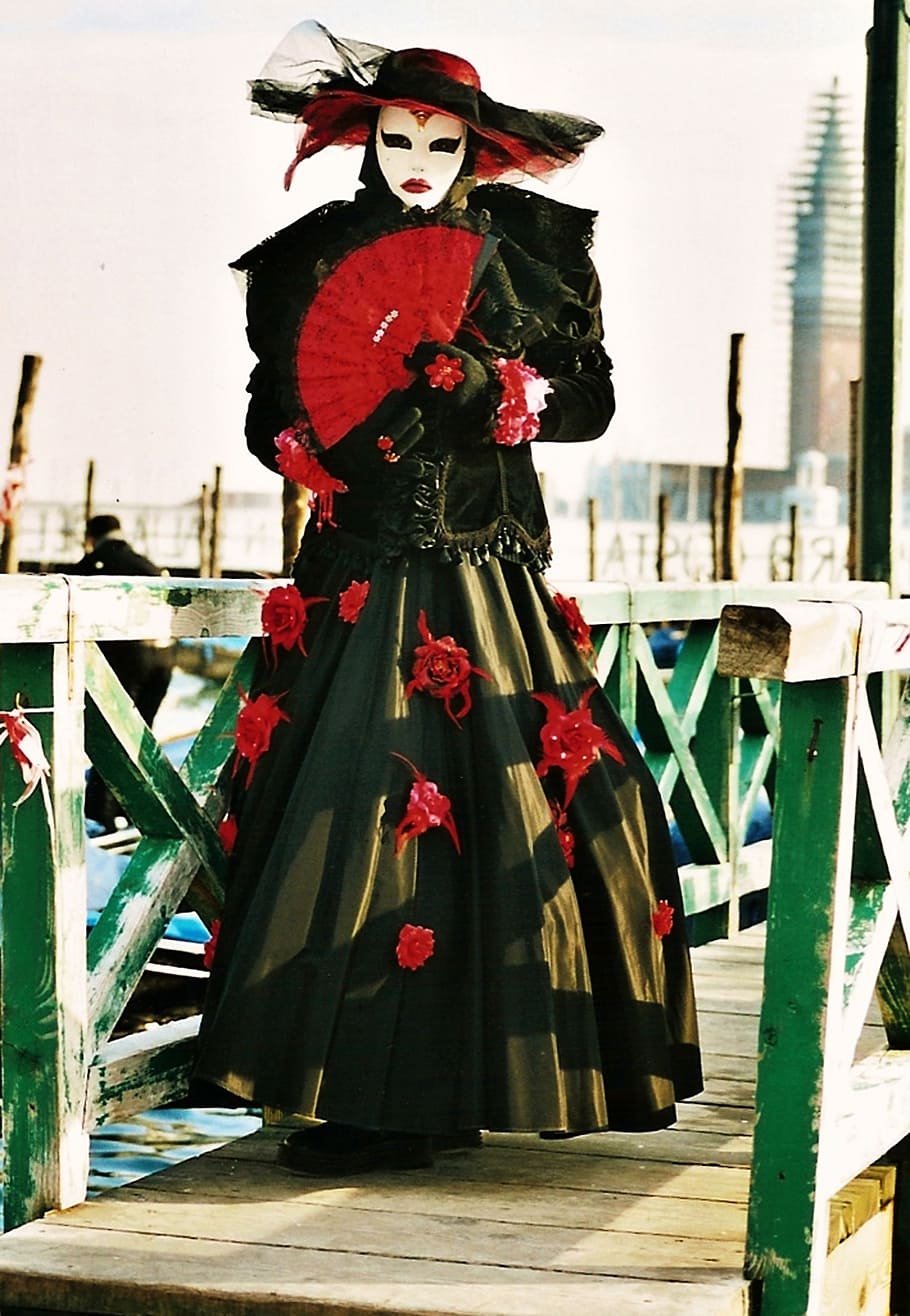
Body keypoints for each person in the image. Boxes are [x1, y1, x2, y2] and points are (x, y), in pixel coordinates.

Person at [194, 21, 703, 1176]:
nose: (415, 158)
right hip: (360, 566)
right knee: (347, 816)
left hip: (486, 571)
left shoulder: (534, 247)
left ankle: (458, 1084)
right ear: (365, 140)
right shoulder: (311, 256)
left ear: (476, 146)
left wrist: (498, 387)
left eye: (437, 140)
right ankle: (359, 1097)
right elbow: (269, 405)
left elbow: (592, 399)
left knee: (511, 810)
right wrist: (313, 447)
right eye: (395, 137)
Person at [71, 514, 176, 830]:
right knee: (142, 738)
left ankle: (100, 813)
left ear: (91, 537)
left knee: (113, 735)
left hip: (128, 660)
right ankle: (136, 812)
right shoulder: (146, 563)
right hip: (163, 658)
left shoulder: (93, 564)